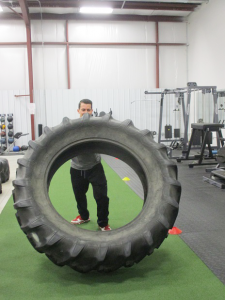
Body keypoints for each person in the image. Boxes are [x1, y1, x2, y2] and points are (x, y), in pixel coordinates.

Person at [70, 99, 111, 231]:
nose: (86, 112)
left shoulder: (97, 126)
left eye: (88, 110)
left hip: (95, 167)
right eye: (83, 110)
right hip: (76, 168)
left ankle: (103, 223)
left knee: (102, 197)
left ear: (92, 111)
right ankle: (83, 216)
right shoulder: (71, 128)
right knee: (79, 196)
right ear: (78, 111)